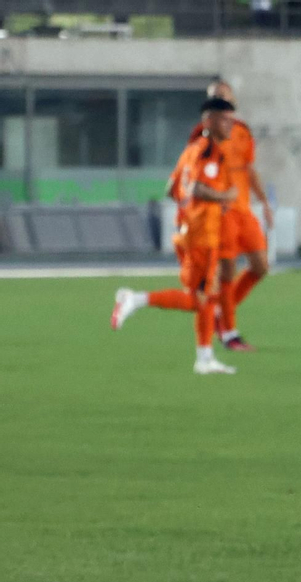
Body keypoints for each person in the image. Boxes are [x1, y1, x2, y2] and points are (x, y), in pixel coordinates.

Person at [111, 98, 240, 375]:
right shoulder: (208, 152)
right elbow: (195, 188)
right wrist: (223, 197)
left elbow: (172, 188)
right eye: (224, 119)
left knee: (208, 297)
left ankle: (205, 359)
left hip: (190, 231)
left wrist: (195, 208)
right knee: (200, 300)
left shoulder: (191, 150)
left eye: (232, 119)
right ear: (208, 121)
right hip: (202, 234)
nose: (230, 124)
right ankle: (135, 299)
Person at [194, 80, 273, 351]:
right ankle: (230, 332)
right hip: (221, 213)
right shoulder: (202, 136)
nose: (221, 102)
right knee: (227, 271)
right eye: (215, 98)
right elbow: (194, 174)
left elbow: (248, 169)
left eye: (224, 97)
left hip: (244, 210)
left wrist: (264, 202)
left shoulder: (241, 132)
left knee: (261, 266)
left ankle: (220, 313)